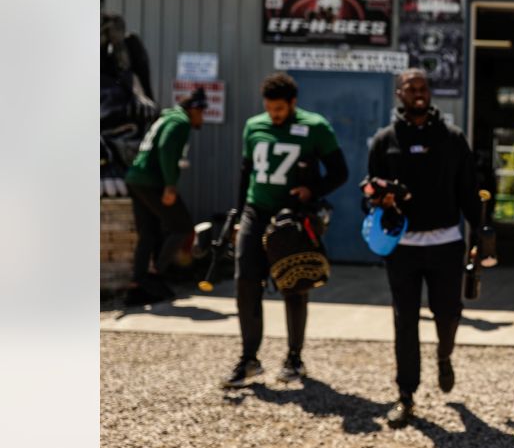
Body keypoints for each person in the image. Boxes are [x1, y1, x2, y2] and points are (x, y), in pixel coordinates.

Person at [364, 68, 483, 427]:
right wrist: (380, 201)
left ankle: (444, 356)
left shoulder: (452, 138)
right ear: (399, 94)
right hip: (402, 246)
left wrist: (480, 236)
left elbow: (469, 191)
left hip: (446, 242)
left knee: (448, 313)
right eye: (410, 88)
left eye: (423, 87)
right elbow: (368, 195)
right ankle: (406, 395)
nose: (418, 92)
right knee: (405, 320)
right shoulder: (385, 141)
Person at [221, 73, 348, 388]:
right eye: (270, 108)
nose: (274, 114)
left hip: (292, 216)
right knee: (245, 282)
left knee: (294, 281)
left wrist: (312, 190)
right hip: (256, 211)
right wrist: (237, 215)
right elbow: (245, 171)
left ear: (293, 103)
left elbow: (339, 172)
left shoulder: (315, 127)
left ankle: (294, 357)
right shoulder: (254, 126)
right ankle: (249, 358)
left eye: (280, 108)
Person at [122, 88, 207, 305]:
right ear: (194, 109)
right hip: (152, 182)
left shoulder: (166, 117)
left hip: (136, 179)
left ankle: (137, 284)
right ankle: (154, 272)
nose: (202, 118)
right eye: (202, 113)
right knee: (182, 227)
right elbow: (166, 147)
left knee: (148, 233)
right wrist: (170, 185)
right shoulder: (180, 122)